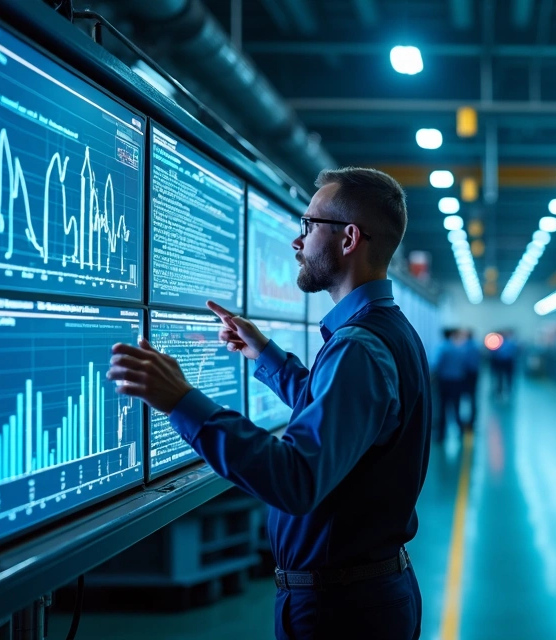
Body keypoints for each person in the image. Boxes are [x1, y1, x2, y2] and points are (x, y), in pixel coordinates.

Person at [107, 167, 427, 639]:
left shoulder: (358, 346)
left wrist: (182, 402)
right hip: (359, 596)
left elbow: (296, 479)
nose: (297, 241)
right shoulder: (387, 329)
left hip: (342, 613)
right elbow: (343, 422)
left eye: (309, 225)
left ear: (349, 238)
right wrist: (268, 356)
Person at [434, 328, 469, 441]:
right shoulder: (460, 349)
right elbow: (465, 365)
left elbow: (436, 363)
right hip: (457, 381)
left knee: (442, 407)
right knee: (456, 406)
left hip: (444, 381)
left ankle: (441, 434)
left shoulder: (442, 348)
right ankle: (460, 431)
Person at [460, 328, 480, 431]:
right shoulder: (476, 346)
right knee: (473, 396)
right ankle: (473, 419)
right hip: (475, 373)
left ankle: (466, 420)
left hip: (466, 374)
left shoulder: (465, 347)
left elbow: (463, 361)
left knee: (464, 397)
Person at [489, 329, 518, 399]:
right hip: (500, 362)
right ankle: (499, 390)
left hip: (508, 362)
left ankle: (508, 390)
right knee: (500, 377)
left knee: (508, 377)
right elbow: (493, 352)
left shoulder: (511, 342)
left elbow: (514, 351)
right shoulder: (498, 342)